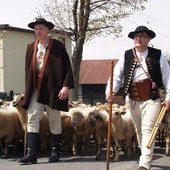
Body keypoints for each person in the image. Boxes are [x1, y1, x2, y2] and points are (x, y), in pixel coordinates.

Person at [105, 26, 170, 170]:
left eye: (142, 36)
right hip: (133, 100)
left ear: (148, 39)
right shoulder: (126, 55)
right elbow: (116, 75)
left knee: (148, 128)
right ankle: (146, 154)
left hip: (152, 99)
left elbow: (168, 77)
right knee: (139, 129)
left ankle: (144, 164)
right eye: (136, 36)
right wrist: (111, 90)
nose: (138, 39)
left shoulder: (157, 55)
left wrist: (169, 97)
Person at [18, 18, 74, 164]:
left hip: (53, 89)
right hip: (36, 89)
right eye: (36, 29)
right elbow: (28, 71)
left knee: (54, 119)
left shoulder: (57, 46)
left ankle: (55, 152)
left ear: (47, 29)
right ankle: (31, 154)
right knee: (32, 117)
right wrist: (28, 89)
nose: (38, 31)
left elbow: (67, 67)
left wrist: (66, 86)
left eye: (41, 28)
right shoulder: (31, 47)